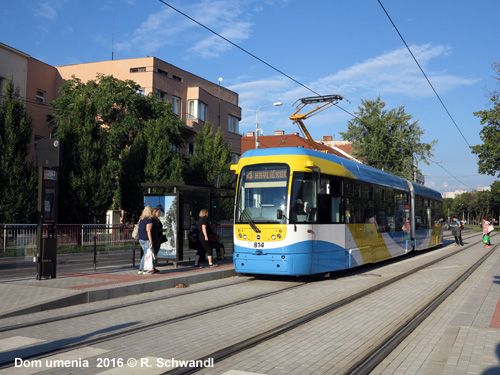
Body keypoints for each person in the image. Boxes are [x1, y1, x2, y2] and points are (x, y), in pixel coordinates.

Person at [138, 205, 157, 274]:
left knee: (145, 254)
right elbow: (148, 230)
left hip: (141, 239)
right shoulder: (149, 220)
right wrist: (150, 240)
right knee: (146, 254)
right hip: (146, 239)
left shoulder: (141, 219)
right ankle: (142, 269)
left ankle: (142, 269)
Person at [151, 207, 163, 272]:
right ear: (154, 212)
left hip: (158, 237)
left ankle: (153, 267)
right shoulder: (153, 220)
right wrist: (160, 230)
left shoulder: (157, 219)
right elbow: (153, 229)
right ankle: (152, 267)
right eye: (158, 212)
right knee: (153, 252)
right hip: (155, 238)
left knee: (156, 252)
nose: (159, 213)